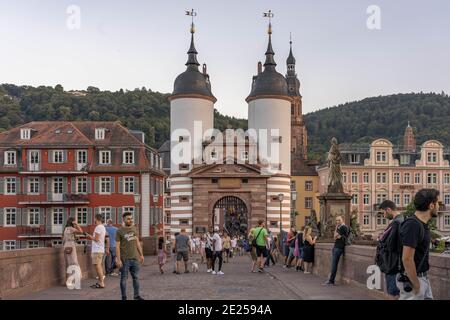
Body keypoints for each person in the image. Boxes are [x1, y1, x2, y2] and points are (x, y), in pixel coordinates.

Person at [397, 189, 438, 300]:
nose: (438, 206)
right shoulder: (413, 225)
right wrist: (416, 285)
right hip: (414, 280)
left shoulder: (420, 224)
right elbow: (407, 259)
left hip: (422, 278)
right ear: (431, 206)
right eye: (437, 203)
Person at [376, 200, 404, 300]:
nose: (383, 215)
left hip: (393, 264)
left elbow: (391, 245)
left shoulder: (396, 223)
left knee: (393, 295)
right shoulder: (400, 221)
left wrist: (381, 239)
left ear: (388, 210)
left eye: (383, 212)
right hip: (394, 263)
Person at [115, 211, 145, 300]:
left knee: (136, 278)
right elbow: (117, 246)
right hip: (125, 259)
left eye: (131, 218)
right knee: (124, 278)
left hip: (135, 258)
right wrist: (118, 259)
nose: (130, 220)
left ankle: (136, 295)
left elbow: (137, 243)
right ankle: (124, 297)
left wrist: (141, 255)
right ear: (124, 219)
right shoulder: (119, 231)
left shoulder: (134, 228)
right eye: (128, 219)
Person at [324, 215, 349, 285]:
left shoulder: (343, 227)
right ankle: (331, 280)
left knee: (334, 265)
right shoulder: (339, 227)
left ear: (342, 220)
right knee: (333, 264)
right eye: (336, 220)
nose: (337, 222)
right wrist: (336, 229)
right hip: (336, 247)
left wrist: (337, 234)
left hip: (339, 247)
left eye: (339, 220)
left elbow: (336, 236)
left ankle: (331, 281)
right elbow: (334, 237)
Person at [85, 214, 108, 289]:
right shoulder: (103, 227)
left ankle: (101, 283)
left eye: (94, 219)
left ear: (97, 219)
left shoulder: (98, 227)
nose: (94, 220)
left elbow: (96, 239)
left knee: (98, 267)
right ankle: (100, 282)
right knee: (99, 266)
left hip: (97, 250)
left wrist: (89, 236)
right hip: (100, 249)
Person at [62, 217, 84, 287]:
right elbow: (81, 231)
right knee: (74, 262)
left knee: (68, 263)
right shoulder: (71, 229)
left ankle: (68, 281)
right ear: (72, 222)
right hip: (71, 246)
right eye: (74, 222)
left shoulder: (65, 229)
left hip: (66, 246)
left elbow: (63, 238)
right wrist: (77, 224)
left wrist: (74, 238)